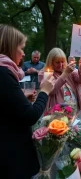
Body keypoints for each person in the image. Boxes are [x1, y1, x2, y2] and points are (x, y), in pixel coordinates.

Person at [0, 24, 55, 178]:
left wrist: (21, 99)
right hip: (11, 154)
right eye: (21, 48)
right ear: (10, 47)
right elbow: (30, 115)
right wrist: (44, 91)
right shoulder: (4, 73)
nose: (23, 54)